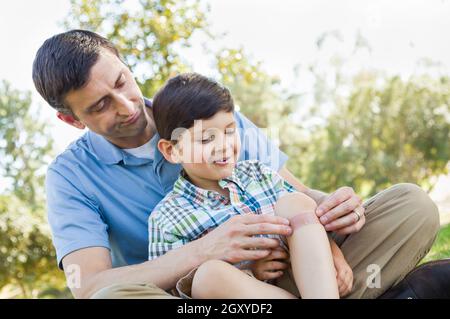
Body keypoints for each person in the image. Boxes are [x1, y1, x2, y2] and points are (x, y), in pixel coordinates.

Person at [32, 29, 440, 299]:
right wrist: (206, 251)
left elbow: (293, 196)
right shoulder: (70, 177)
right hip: (209, 296)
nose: (128, 106)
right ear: (71, 120)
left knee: (412, 205)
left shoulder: (206, 112)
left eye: (121, 82)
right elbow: (89, 285)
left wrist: (334, 213)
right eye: (101, 105)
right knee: (113, 299)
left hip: (293, 269)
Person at [149, 73, 343, 298]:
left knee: (296, 202)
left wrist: (334, 253)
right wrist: (250, 272)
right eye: (205, 139)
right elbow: (172, 291)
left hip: (309, 280)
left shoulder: (258, 174)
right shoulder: (167, 217)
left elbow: (309, 224)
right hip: (248, 297)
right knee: (208, 275)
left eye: (230, 131)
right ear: (172, 151)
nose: (224, 145)